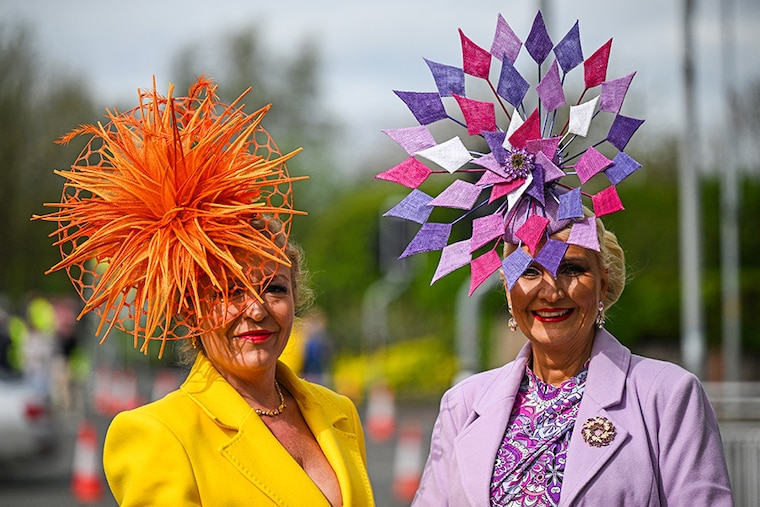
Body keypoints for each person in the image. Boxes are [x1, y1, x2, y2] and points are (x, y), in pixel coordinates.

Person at [375, 10, 733, 506]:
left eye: (572, 268)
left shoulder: (667, 397)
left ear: (604, 282)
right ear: (506, 286)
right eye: (528, 269)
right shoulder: (463, 404)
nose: (551, 290)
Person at [36, 77, 375, 506]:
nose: (256, 309)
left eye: (274, 288)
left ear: (296, 297)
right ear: (189, 310)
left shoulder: (338, 412)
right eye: (229, 290)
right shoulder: (161, 433)